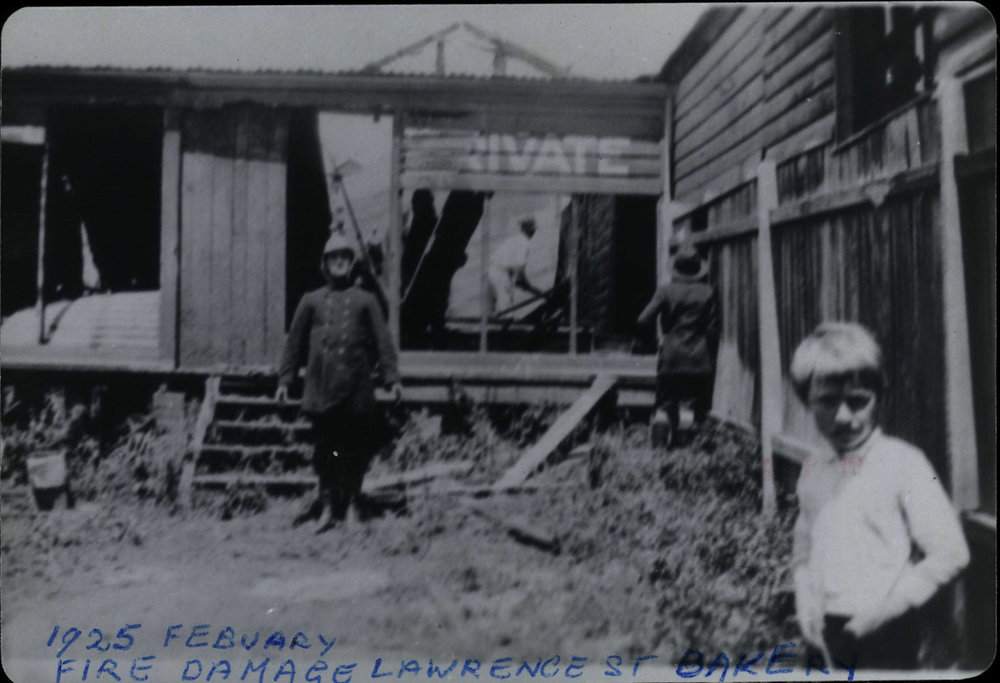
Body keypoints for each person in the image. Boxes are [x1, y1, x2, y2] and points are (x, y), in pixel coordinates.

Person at [789, 322, 970, 671]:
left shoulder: (904, 462)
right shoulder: (814, 466)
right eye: (827, 402)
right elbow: (804, 540)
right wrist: (804, 596)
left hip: (887, 632)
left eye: (858, 402)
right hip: (824, 630)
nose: (843, 416)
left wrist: (885, 611)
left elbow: (951, 552)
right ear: (806, 402)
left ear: (879, 398)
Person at [276, 231, 403, 533]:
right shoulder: (311, 300)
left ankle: (354, 507)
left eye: (345, 258)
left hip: (357, 389)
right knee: (326, 450)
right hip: (321, 388)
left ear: (352, 263)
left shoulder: (366, 300)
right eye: (334, 258)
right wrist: (285, 380)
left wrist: (392, 379)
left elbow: (384, 342)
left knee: (355, 449)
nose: (339, 263)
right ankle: (329, 506)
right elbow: (294, 344)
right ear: (325, 264)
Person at [635, 243, 719, 443]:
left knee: (664, 406)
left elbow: (642, 320)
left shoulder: (665, 291)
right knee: (688, 407)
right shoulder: (708, 292)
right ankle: (683, 458)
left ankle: (658, 456)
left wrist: (652, 343)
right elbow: (712, 330)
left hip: (670, 356)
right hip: (698, 359)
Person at [487, 215, 543, 315]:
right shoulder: (524, 243)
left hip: (490, 273)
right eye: (534, 229)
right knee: (506, 312)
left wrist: (522, 283)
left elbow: (514, 271)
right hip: (502, 276)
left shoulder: (512, 239)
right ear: (531, 230)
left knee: (492, 312)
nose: (535, 231)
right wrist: (527, 284)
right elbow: (519, 268)